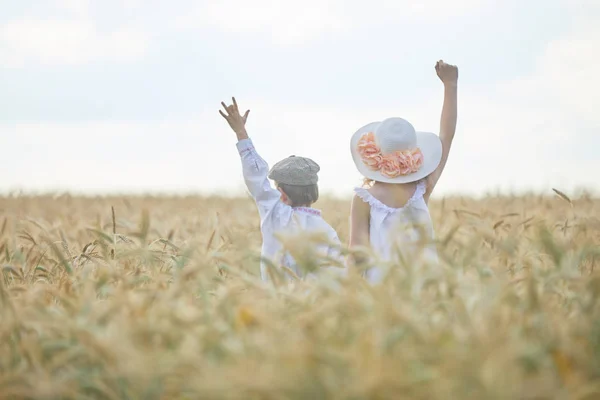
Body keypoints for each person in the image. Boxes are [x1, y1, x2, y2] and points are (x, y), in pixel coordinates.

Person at [348, 60, 458, 284]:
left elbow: (357, 254)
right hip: (423, 288)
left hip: (381, 293)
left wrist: (345, 297)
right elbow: (446, 137)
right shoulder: (422, 189)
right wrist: (451, 84)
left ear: (373, 155)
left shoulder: (364, 199)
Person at [219, 97, 342, 282]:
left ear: (282, 194)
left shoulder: (276, 214)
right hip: (315, 306)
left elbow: (256, 176)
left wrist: (240, 132)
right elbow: (338, 275)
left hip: (274, 305)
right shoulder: (327, 232)